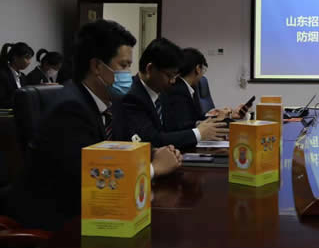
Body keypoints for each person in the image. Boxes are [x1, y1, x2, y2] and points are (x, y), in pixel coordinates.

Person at [5, 20, 182, 231]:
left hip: (94, 213)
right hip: (58, 222)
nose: (128, 74)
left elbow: (121, 147)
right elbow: (93, 182)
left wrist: (154, 153)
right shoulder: (70, 109)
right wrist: (154, 169)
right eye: (123, 65)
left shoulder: (111, 104)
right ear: (97, 66)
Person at [119, 38, 228, 150]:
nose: (173, 81)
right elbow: (151, 139)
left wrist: (200, 126)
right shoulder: (131, 96)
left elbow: (174, 128)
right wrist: (198, 133)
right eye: (169, 76)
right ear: (150, 69)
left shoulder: (162, 92)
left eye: (175, 76)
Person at [164, 48, 249, 131]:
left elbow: (197, 119)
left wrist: (225, 116)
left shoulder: (190, 89)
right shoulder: (178, 91)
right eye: (203, 70)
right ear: (198, 69)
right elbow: (184, 125)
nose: (202, 75)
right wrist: (218, 119)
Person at [0, 42, 34, 109]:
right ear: (15, 58)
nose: (29, 62)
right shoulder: (2, 75)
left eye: (30, 59)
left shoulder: (23, 77)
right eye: (27, 58)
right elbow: (2, 101)